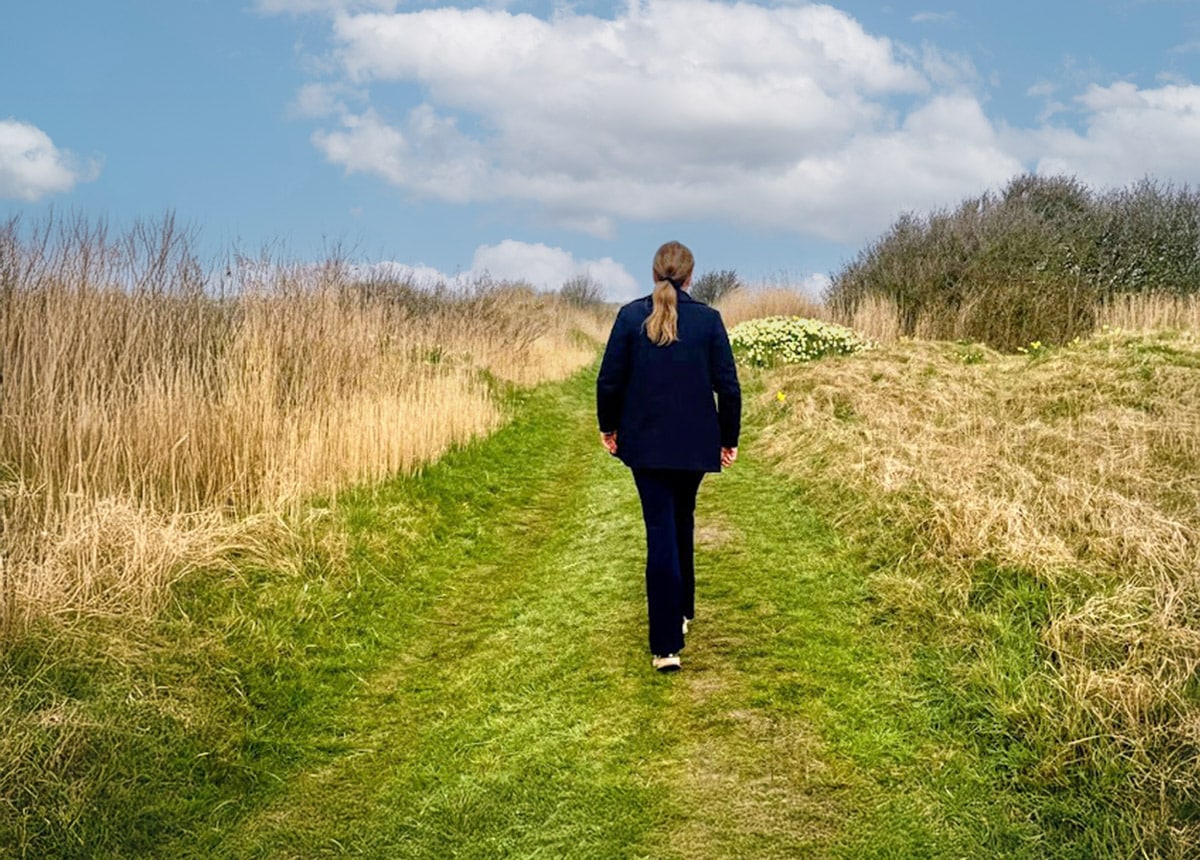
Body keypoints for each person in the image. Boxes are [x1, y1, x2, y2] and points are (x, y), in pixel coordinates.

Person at [596, 241, 741, 672]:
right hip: (695, 444)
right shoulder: (709, 320)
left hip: (645, 444)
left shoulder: (629, 317)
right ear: (691, 276)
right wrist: (728, 438)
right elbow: (728, 388)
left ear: (654, 273)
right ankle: (681, 613)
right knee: (682, 520)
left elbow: (608, 382)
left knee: (661, 529)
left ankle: (666, 645)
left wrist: (609, 428)